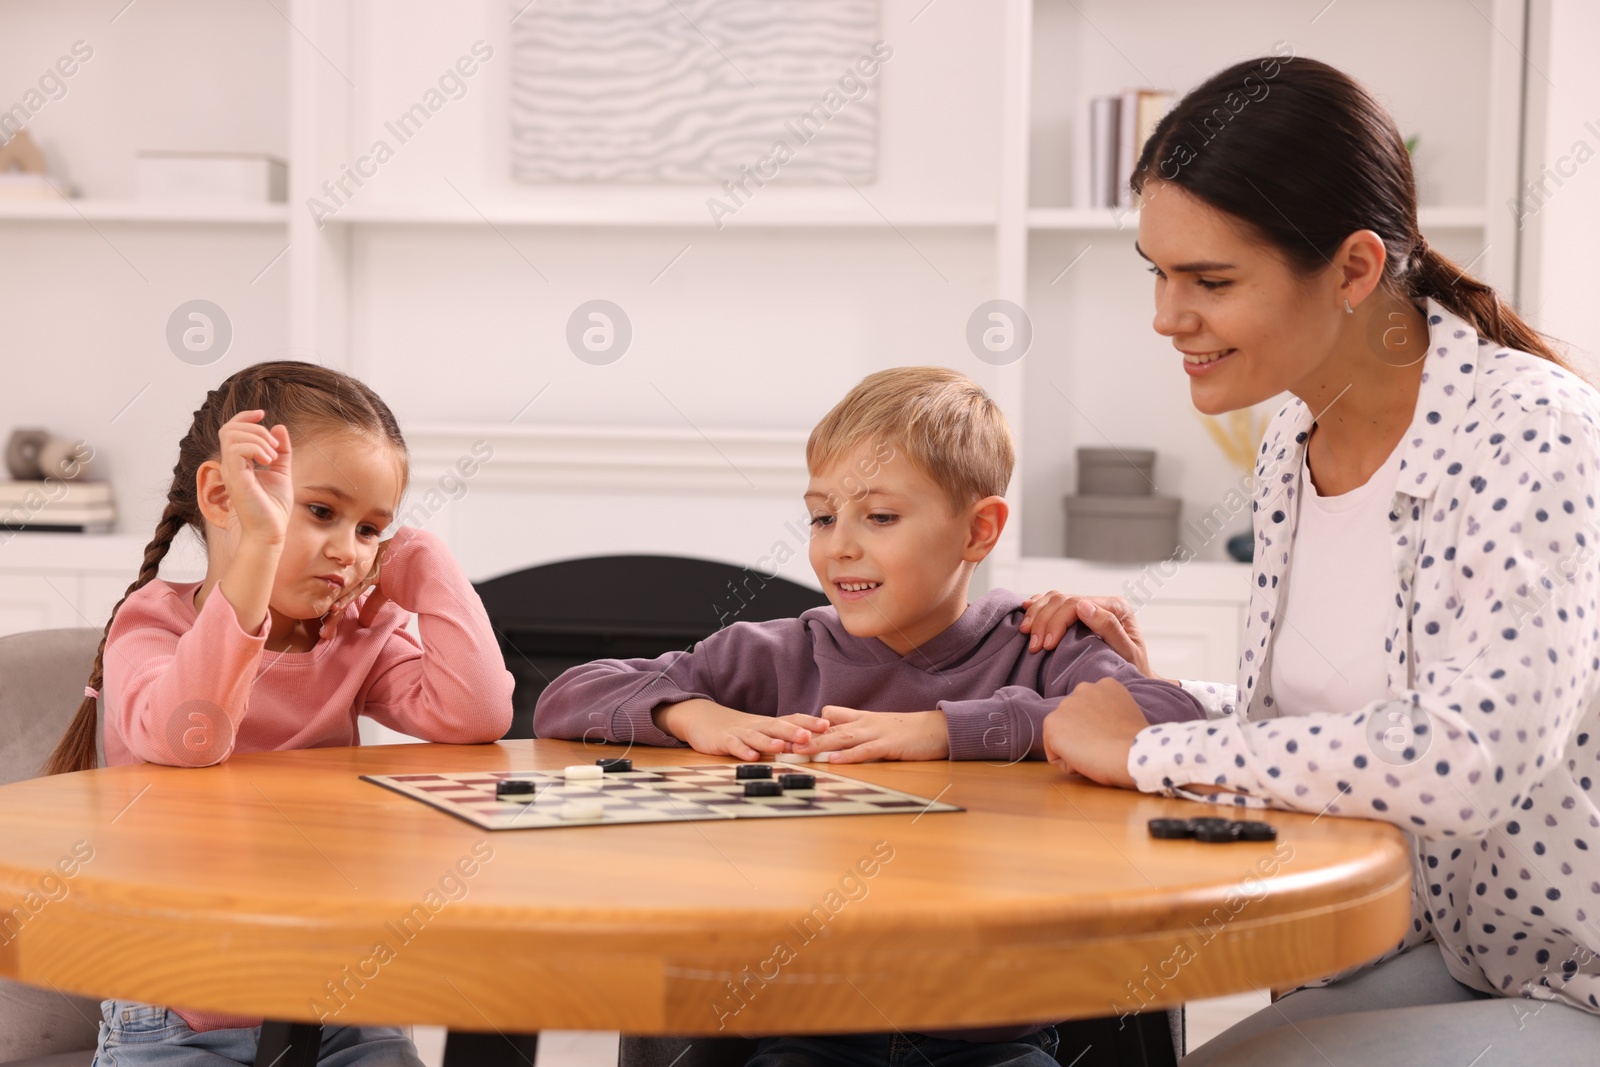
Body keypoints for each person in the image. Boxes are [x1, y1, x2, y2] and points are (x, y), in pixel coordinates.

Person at [1022, 55, 1600, 1066]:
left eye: (1210, 280)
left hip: (1577, 974)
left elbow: (1464, 761)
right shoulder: (1298, 432)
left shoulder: (1532, 433)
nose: (1166, 317)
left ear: (1352, 269)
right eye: (1156, 273)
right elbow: (1320, 730)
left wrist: (1147, 750)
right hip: (1466, 947)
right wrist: (1144, 693)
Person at [536, 366, 1204, 1066]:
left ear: (979, 529)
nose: (839, 545)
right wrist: (689, 711)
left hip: (995, 1036)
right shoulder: (779, 653)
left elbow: (1172, 720)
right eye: (823, 515)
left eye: (879, 516)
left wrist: (946, 729)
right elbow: (566, 696)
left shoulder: (1038, 645)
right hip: (801, 1029)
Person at [47, 361, 514, 1067]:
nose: (348, 550)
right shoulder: (151, 628)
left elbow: (475, 712)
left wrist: (428, 563)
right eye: (323, 512)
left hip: (339, 1000)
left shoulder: (357, 638)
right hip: (180, 1013)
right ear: (222, 495)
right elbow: (191, 736)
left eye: (371, 528)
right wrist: (259, 554)